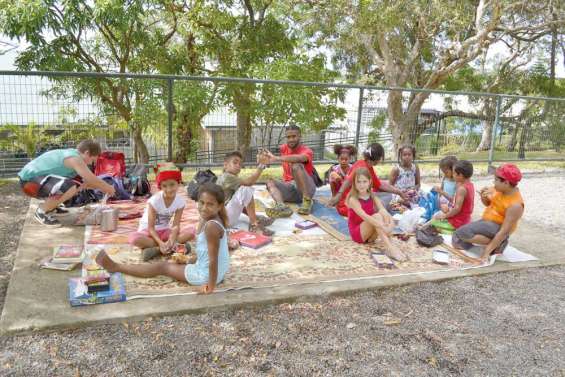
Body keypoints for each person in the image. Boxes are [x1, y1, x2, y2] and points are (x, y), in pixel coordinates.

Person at [96, 182, 230, 294]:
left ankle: (116, 267)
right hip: (217, 270)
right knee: (177, 261)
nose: (204, 207)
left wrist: (209, 288)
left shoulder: (211, 227)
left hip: (207, 275)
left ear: (219, 206)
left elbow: (213, 260)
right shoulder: (210, 219)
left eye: (210, 204)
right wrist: (189, 260)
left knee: (163, 267)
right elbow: (207, 252)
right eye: (202, 202)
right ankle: (157, 252)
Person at [18, 140, 116, 226]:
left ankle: (52, 207)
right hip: (29, 182)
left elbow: (86, 183)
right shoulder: (74, 158)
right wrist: (108, 188)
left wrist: (101, 187)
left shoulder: (72, 154)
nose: (90, 163)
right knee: (69, 187)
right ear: (87, 153)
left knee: (77, 184)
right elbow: (91, 179)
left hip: (36, 180)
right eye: (92, 160)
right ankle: (42, 211)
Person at [452, 164, 524, 262]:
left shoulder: (516, 205)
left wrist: (486, 253)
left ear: (506, 183)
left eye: (496, 180)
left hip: (497, 226)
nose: (494, 183)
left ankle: (498, 243)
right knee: (456, 240)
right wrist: (483, 197)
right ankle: (496, 244)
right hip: (487, 221)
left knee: (461, 233)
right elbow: (488, 204)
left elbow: (503, 231)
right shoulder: (500, 189)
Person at [128, 169, 195, 261]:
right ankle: (173, 247)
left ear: (178, 184)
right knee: (133, 238)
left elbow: (175, 226)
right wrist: (160, 243)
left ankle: (157, 250)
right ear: (160, 187)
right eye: (164, 186)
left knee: (191, 231)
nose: (169, 189)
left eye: (172, 184)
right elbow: (151, 228)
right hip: (148, 232)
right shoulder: (154, 201)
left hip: (165, 231)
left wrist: (171, 240)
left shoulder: (180, 202)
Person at [328, 143, 408, 217]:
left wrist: (398, 192)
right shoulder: (363, 167)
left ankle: (377, 209)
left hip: (353, 202)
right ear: (378, 158)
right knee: (383, 199)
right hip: (350, 206)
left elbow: (379, 185)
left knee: (387, 195)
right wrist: (339, 195)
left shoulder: (365, 165)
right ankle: (376, 211)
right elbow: (348, 181)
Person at [347, 168, 406, 261]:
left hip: (370, 233)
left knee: (383, 214)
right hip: (358, 233)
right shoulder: (353, 199)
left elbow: (383, 210)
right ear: (354, 183)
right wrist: (382, 226)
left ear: (370, 182)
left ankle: (390, 242)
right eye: (358, 182)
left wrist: (389, 221)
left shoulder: (371, 195)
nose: (361, 185)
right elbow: (364, 216)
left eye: (364, 181)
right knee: (376, 216)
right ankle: (390, 248)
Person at [263, 125, 317, 217]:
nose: (291, 139)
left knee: (296, 166)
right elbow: (267, 157)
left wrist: (277, 158)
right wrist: (263, 158)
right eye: (288, 137)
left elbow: (299, 158)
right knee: (269, 181)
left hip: (306, 189)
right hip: (291, 189)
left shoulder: (307, 151)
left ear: (300, 136)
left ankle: (307, 201)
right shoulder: (284, 148)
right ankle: (282, 207)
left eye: (294, 136)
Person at [216, 151, 274, 235]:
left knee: (242, 194)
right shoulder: (227, 177)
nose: (238, 166)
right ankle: (254, 225)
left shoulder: (229, 177)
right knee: (246, 189)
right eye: (235, 162)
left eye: (240, 164)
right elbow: (249, 182)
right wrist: (261, 165)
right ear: (225, 165)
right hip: (224, 218)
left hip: (224, 218)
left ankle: (255, 218)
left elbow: (241, 201)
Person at [430, 160, 475, 234]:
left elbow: (457, 209)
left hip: (459, 221)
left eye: (454, 173)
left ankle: (454, 231)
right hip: (466, 218)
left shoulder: (462, 189)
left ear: (460, 175)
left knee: (434, 222)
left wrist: (445, 216)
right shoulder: (470, 185)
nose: (453, 175)